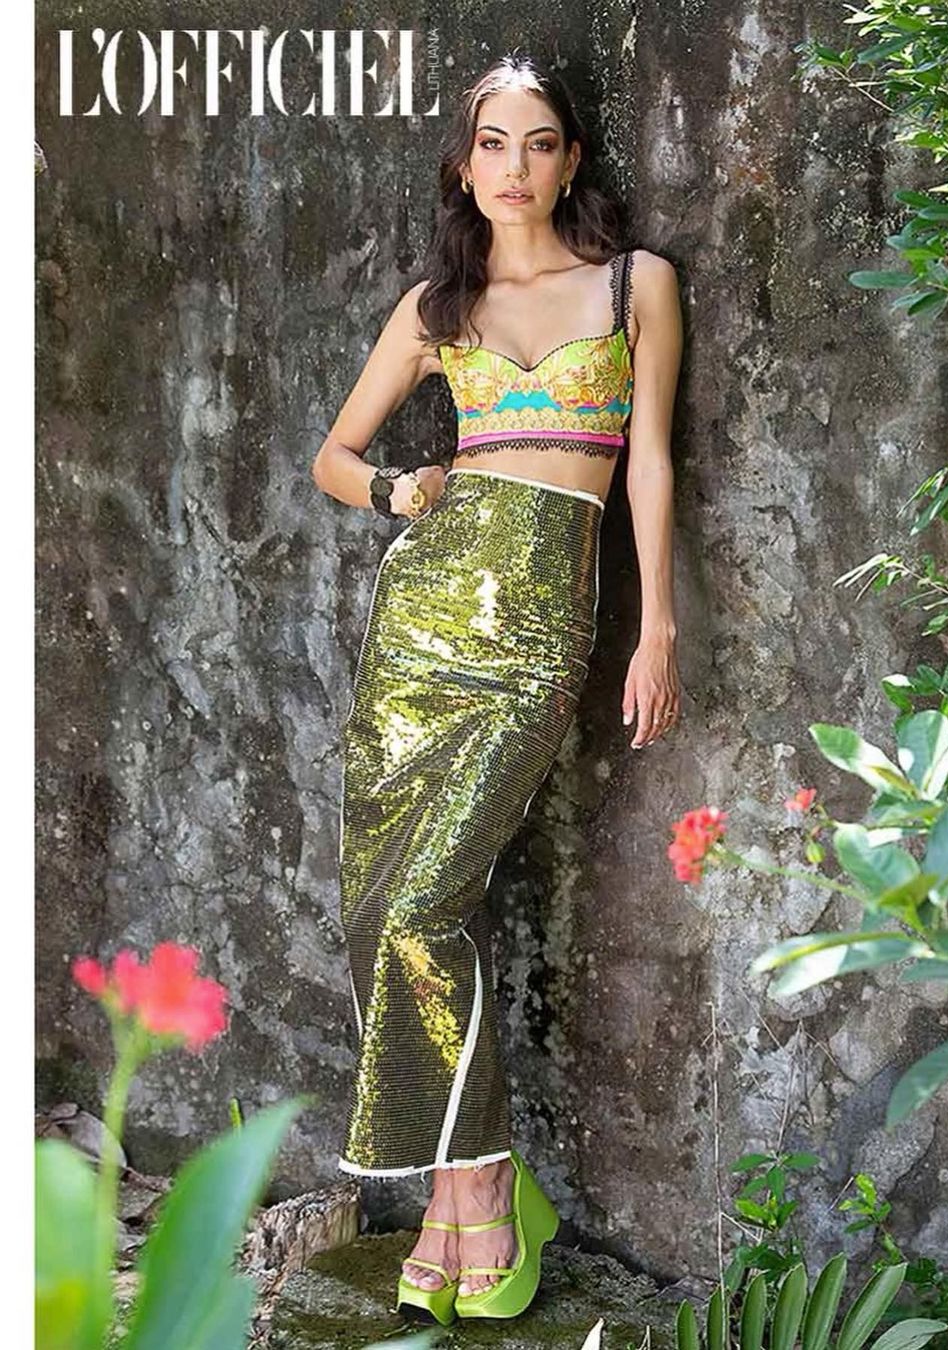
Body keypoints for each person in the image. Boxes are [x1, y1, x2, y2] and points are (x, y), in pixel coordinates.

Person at [311, 51, 683, 1324]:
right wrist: (397, 489)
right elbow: (334, 454)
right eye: (492, 143)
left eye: (538, 143)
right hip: (420, 623)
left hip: (537, 633)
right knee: (381, 912)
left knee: (424, 905)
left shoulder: (634, 286)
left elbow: (647, 464)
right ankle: (468, 1197)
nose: (513, 167)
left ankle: (480, 1189)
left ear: (570, 162)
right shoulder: (437, 308)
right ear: (465, 165)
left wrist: (656, 629)